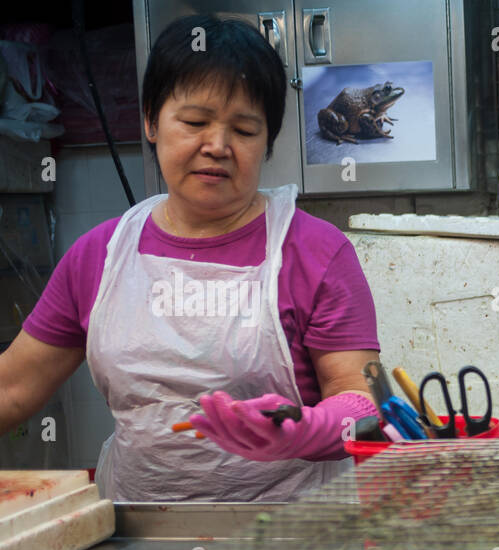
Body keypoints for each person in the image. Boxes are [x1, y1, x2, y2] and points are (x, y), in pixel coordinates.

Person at [0, 14, 380, 501]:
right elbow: (13, 389)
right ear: (151, 121)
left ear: (267, 141)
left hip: (293, 542)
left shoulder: (316, 253)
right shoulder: (99, 255)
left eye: (244, 130)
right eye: (195, 122)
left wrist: (306, 429)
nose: (217, 146)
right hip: (139, 537)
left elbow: (364, 401)